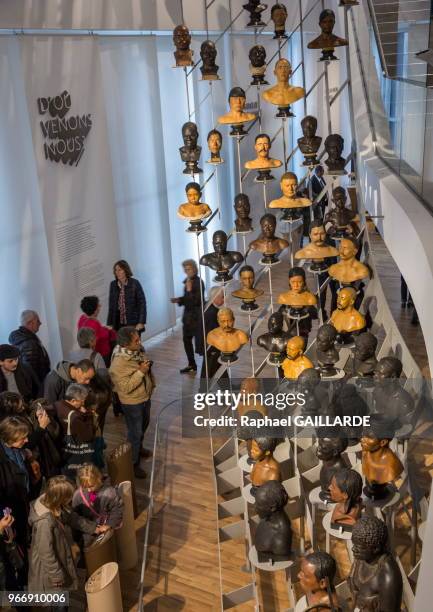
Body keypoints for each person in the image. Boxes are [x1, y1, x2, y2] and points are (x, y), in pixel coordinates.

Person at [28, 475, 109, 611]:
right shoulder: (44, 523)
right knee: (59, 604)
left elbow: (73, 518)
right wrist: (56, 575)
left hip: (59, 564)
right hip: (50, 574)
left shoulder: (55, 505)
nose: (71, 499)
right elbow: (46, 553)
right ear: (59, 498)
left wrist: (94, 528)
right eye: (68, 497)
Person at [109, 327, 155, 479]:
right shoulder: (117, 364)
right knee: (134, 433)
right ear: (125, 344)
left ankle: (139, 449)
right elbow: (125, 387)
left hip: (144, 397)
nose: (140, 342)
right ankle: (133, 464)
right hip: (132, 402)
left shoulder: (137, 350)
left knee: (142, 427)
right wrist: (141, 372)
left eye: (139, 338)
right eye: (136, 340)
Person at [0, 417, 37, 583]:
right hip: (8, 518)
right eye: (23, 437)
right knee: (13, 560)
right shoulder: (2, 462)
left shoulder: (19, 451)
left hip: (21, 509)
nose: (27, 440)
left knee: (21, 553)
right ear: (9, 438)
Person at [72, 464, 123, 546]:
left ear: (98, 479)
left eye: (91, 486)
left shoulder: (110, 493)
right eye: (85, 487)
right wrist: (77, 537)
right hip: (87, 534)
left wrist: (109, 525)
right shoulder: (78, 496)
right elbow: (75, 517)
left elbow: (117, 510)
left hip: (105, 530)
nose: (88, 490)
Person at [171, 259, 205, 374]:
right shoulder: (187, 281)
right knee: (186, 341)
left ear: (194, 268)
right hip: (187, 318)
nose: (187, 271)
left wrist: (189, 290)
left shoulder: (199, 282)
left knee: (201, 343)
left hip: (196, 318)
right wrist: (179, 300)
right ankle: (192, 364)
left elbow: (197, 301)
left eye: (189, 269)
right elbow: (187, 300)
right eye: (185, 269)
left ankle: (208, 365)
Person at [9, 310, 51, 390]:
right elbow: (30, 372)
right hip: (37, 389)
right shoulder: (29, 343)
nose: (40, 323)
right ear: (30, 323)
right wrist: (40, 389)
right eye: (38, 321)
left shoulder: (25, 340)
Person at [107, 260, 147, 333]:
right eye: (115, 270)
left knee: (133, 344)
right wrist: (109, 323)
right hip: (118, 324)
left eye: (119, 270)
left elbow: (142, 304)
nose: (117, 272)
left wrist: (141, 322)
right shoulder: (113, 285)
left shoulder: (135, 283)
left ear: (125, 270)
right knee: (120, 344)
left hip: (133, 323)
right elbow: (111, 306)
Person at [78, 296, 116, 365]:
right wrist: (108, 331)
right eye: (98, 305)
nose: (100, 306)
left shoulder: (82, 318)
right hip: (102, 355)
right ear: (95, 310)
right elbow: (95, 341)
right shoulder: (94, 324)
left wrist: (104, 328)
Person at [199, 287, 225, 379]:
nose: (224, 299)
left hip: (209, 345)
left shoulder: (208, 307)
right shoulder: (212, 313)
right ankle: (202, 390)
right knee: (208, 369)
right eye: (222, 297)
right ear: (215, 298)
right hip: (210, 347)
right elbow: (214, 332)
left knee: (220, 365)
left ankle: (226, 386)